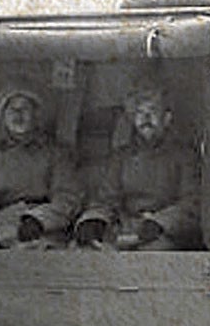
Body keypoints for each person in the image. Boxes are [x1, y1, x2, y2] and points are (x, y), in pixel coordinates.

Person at [0, 82, 82, 249]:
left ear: (37, 114)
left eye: (25, 108)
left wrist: (39, 219)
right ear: (3, 116)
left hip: (39, 229)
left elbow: (67, 197)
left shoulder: (56, 153)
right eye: (11, 108)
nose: (18, 114)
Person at [74, 80, 200, 250]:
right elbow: (106, 200)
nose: (145, 118)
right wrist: (94, 220)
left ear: (166, 118)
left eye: (152, 111)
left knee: (153, 254)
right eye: (139, 112)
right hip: (125, 229)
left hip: (164, 233)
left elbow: (192, 203)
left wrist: (160, 222)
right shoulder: (121, 157)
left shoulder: (184, 156)